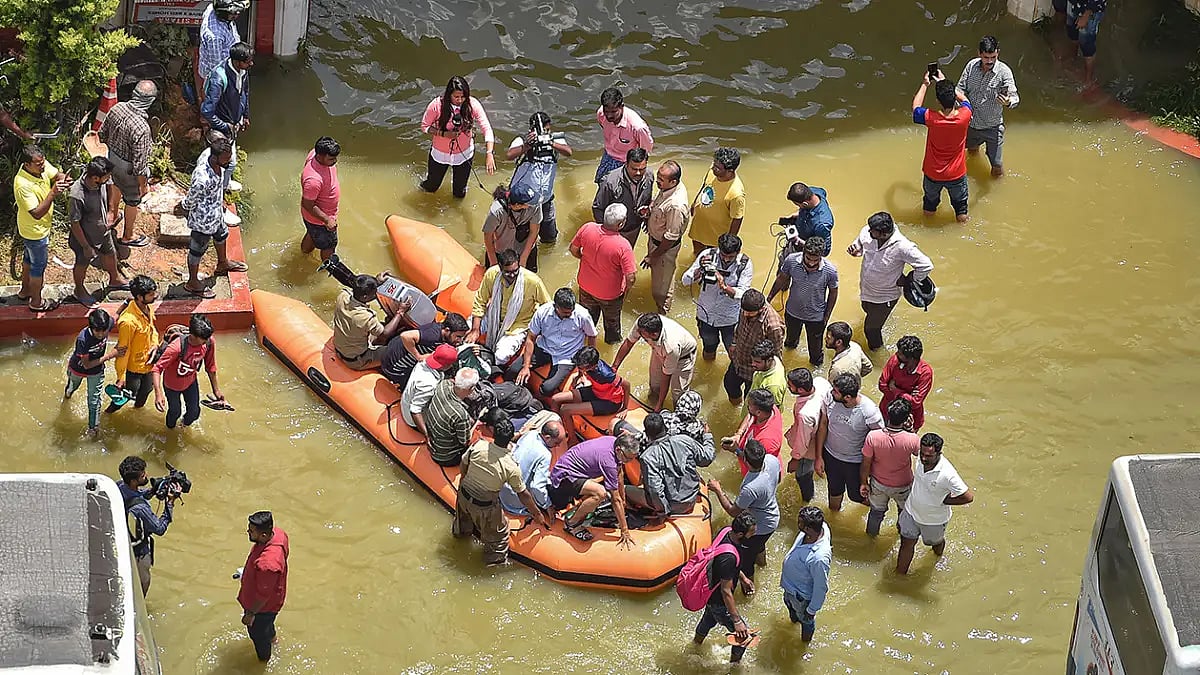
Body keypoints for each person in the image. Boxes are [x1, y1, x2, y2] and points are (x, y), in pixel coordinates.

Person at [454, 410, 551, 564]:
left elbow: (463, 465)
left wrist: (465, 481)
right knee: (498, 539)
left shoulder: (479, 446)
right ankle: (493, 566)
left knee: (462, 526)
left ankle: (458, 542)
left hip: (463, 495)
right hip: (485, 505)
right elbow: (523, 494)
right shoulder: (511, 466)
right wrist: (537, 514)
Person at [846, 212, 934, 350]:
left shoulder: (903, 247)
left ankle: (877, 354)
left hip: (885, 296)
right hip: (866, 290)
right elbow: (861, 240)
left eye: (872, 231)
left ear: (883, 234)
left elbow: (926, 265)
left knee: (871, 330)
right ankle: (882, 319)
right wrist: (856, 247)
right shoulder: (868, 232)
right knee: (866, 310)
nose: (868, 231)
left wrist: (909, 279)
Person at [176, 137, 247, 297]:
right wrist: (184, 208)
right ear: (215, 157)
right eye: (226, 159)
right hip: (203, 221)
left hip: (216, 213)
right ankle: (192, 282)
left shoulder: (215, 158)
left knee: (222, 235)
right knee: (197, 250)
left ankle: (222, 263)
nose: (228, 162)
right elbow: (190, 199)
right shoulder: (202, 178)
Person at [708, 439, 781, 595]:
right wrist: (737, 451)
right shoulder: (772, 461)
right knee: (759, 546)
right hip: (772, 518)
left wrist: (718, 490)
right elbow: (777, 478)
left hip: (757, 527)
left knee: (746, 562)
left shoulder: (750, 488)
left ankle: (749, 592)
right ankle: (763, 564)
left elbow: (733, 511)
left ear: (746, 461)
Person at [896, 432, 973, 574]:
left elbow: (968, 497)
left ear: (939, 453)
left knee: (935, 543)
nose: (924, 458)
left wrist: (946, 500)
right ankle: (899, 577)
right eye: (922, 454)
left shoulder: (947, 474)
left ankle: (938, 555)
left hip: (933, 520)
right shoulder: (920, 457)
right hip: (911, 511)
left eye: (929, 456)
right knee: (906, 543)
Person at [548, 434, 640, 546]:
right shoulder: (608, 462)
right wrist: (624, 530)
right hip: (564, 477)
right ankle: (572, 523)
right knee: (600, 493)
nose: (630, 461)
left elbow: (619, 473)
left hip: (576, 470)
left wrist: (624, 500)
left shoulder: (614, 442)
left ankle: (582, 505)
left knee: (604, 490)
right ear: (619, 450)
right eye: (628, 458)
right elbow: (615, 500)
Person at [692, 512, 757, 664]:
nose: (754, 535)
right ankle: (734, 667)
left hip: (710, 594)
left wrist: (743, 578)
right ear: (741, 534)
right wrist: (737, 621)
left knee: (708, 620)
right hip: (719, 602)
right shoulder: (728, 558)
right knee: (743, 637)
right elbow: (726, 591)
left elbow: (728, 568)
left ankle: (695, 645)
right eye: (752, 532)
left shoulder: (726, 532)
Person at [468, 248, 550, 369]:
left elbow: (547, 307)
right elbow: (480, 301)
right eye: (507, 272)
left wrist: (537, 331)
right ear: (500, 268)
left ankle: (491, 368)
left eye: (515, 271)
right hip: (492, 316)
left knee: (501, 356)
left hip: (517, 325)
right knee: (466, 328)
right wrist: (475, 330)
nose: (512, 275)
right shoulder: (492, 274)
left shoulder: (533, 282)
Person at [99, 79, 157, 247]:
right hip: (128, 168)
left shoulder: (117, 108)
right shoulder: (142, 128)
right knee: (133, 201)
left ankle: (112, 214)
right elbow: (140, 166)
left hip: (112, 159)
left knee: (115, 185)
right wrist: (143, 186)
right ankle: (128, 236)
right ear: (150, 101)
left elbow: (102, 134)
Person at [14, 144, 71, 313]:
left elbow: (55, 174)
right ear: (27, 164)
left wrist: (63, 178)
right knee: (38, 266)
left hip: (35, 229)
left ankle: (25, 291)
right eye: (38, 164)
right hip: (35, 231)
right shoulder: (22, 184)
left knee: (28, 260)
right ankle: (36, 302)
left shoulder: (41, 166)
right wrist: (53, 193)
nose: (43, 166)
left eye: (43, 162)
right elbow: (37, 213)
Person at [680, 232, 754, 361]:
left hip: (730, 320)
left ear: (738, 252)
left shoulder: (745, 264)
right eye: (723, 255)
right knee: (709, 348)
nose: (726, 259)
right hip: (706, 316)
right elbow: (685, 280)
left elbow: (743, 294)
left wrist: (724, 286)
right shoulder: (707, 255)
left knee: (735, 353)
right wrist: (700, 269)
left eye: (730, 257)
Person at [627, 412, 715, 517]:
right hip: (692, 497)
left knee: (624, 489)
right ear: (665, 427)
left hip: (673, 506)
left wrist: (663, 512)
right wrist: (707, 436)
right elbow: (707, 457)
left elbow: (655, 490)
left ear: (647, 434)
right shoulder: (685, 440)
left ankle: (632, 512)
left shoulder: (647, 457)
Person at [570, 203, 637, 342]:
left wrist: (584, 259)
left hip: (585, 287)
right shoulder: (623, 246)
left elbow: (573, 249)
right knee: (612, 327)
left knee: (586, 321)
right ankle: (609, 350)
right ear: (621, 224)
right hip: (610, 296)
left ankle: (584, 346)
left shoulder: (587, 228)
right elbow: (630, 277)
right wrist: (625, 292)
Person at [912, 70, 972, 223]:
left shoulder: (931, 118)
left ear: (938, 101)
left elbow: (915, 108)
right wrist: (945, 83)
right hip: (957, 174)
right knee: (961, 209)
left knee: (929, 207)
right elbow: (965, 100)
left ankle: (928, 227)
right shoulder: (965, 116)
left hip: (933, 173)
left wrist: (926, 84)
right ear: (954, 99)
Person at [817, 372, 884, 511]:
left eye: (835, 391)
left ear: (847, 397)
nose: (831, 392)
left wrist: (872, 468)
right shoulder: (830, 398)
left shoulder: (869, 412)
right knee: (834, 492)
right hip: (831, 457)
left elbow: (879, 440)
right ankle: (834, 521)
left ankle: (880, 508)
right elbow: (823, 424)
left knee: (857, 496)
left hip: (855, 463)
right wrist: (819, 457)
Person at [514, 288, 598, 398]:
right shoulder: (542, 312)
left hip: (567, 355)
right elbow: (531, 338)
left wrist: (583, 370)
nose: (569, 314)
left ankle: (534, 401)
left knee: (548, 387)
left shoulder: (583, 316)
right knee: (514, 370)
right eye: (565, 313)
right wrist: (526, 366)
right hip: (544, 347)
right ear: (555, 307)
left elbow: (592, 336)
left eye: (571, 312)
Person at [420, 76, 495, 198]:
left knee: (459, 193)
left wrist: (489, 153)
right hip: (440, 153)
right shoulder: (437, 105)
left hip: (464, 155)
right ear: (449, 95)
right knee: (431, 186)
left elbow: (486, 128)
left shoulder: (473, 104)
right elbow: (425, 126)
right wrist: (443, 134)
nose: (460, 100)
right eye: (456, 97)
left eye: (463, 97)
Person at [769, 236, 838, 367]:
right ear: (804, 253)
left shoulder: (830, 271)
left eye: (815, 260)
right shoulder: (791, 261)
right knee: (789, 343)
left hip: (816, 317)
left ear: (821, 257)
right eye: (808, 259)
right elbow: (781, 279)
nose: (811, 263)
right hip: (792, 312)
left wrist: (826, 316)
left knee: (816, 353)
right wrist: (769, 298)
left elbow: (833, 293)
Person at [67, 156, 127, 305]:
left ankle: (115, 279)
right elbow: (75, 223)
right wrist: (86, 246)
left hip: (103, 230)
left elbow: (110, 186)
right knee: (82, 262)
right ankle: (79, 290)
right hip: (84, 237)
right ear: (95, 178)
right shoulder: (77, 194)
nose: (109, 179)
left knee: (110, 253)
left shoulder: (103, 180)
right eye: (107, 177)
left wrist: (111, 211)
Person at [956, 36, 1019, 178]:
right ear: (979, 53)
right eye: (986, 57)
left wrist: (1008, 101)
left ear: (998, 53)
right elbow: (959, 89)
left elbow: (1015, 97)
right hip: (971, 123)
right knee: (971, 151)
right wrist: (959, 107)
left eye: (993, 57)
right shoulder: (971, 66)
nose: (989, 61)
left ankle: (999, 190)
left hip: (992, 126)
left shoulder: (1004, 72)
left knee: (997, 165)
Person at [200, 42, 253, 205]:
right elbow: (207, 111)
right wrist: (224, 126)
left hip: (232, 125)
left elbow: (244, 93)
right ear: (238, 62)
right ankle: (219, 202)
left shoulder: (242, 73)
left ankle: (226, 184)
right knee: (225, 165)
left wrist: (245, 115)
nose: (251, 64)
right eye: (248, 61)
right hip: (221, 129)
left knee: (229, 164)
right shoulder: (219, 78)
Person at [506, 111, 572, 243]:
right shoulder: (522, 140)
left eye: (547, 130)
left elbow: (568, 152)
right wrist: (527, 146)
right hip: (523, 200)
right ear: (531, 129)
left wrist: (550, 142)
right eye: (541, 130)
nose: (544, 132)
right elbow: (509, 155)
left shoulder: (555, 139)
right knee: (520, 237)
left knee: (550, 237)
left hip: (545, 199)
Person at [151, 314, 225, 429]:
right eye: (203, 339)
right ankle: (169, 432)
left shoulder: (209, 342)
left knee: (194, 413)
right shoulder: (176, 348)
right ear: (193, 335)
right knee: (175, 412)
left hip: (191, 383)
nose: (206, 341)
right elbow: (157, 369)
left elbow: (211, 368)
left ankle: (182, 427)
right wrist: (158, 394)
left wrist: (216, 391)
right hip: (172, 386)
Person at [612, 313, 698, 412]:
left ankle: (678, 415)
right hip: (658, 349)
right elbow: (628, 343)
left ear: (654, 334)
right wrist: (614, 367)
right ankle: (652, 406)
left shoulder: (671, 347)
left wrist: (660, 405)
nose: (638, 332)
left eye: (642, 333)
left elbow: (666, 377)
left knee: (678, 394)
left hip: (683, 357)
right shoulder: (642, 323)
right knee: (654, 384)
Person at [118, 455, 176, 595]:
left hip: (123, 541)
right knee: (143, 582)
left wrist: (153, 490)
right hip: (139, 552)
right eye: (143, 476)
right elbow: (160, 528)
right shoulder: (141, 509)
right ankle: (140, 608)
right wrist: (170, 502)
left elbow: (136, 494)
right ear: (133, 481)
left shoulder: (118, 486)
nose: (147, 476)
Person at [861, 399, 919, 537]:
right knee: (904, 513)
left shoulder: (873, 436)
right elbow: (922, 456)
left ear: (887, 415)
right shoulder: (912, 439)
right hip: (903, 485)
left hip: (878, 484)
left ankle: (870, 539)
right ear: (906, 419)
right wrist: (911, 430)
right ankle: (901, 535)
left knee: (875, 513)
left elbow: (866, 463)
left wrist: (863, 482)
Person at [239, 511, 289, 662]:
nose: (248, 532)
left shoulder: (268, 564)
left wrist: (250, 614)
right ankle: (274, 640)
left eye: (251, 531)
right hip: (273, 598)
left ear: (264, 536)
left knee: (258, 634)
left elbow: (263, 596)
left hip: (263, 608)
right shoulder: (279, 534)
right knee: (268, 624)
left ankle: (264, 661)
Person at [64, 309, 124, 436]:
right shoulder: (83, 340)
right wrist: (110, 355)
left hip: (96, 371)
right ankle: (67, 396)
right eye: (98, 331)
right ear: (91, 328)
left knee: (94, 400)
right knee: (72, 387)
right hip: (78, 368)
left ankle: (93, 428)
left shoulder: (106, 324)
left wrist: (126, 303)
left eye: (104, 331)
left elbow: (116, 315)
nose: (101, 334)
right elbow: (87, 365)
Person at [549, 345, 630, 439]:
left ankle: (572, 439)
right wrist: (579, 375)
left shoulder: (606, 374)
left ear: (592, 366)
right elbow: (580, 367)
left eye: (581, 367)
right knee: (555, 399)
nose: (579, 367)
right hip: (596, 391)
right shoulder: (585, 366)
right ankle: (557, 427)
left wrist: (624, 408)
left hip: (609, 402)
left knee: (565, 409)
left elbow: (626, 385)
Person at [332, 273, 409, 371]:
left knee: (385, 324)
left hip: (343, 348)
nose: (376, 294)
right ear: (365, 297)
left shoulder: (343, 296)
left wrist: (376, 282)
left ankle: (376, 345)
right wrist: (400, 312)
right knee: (399, 350)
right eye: (374, 293)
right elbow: (385, 333)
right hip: (357, 360)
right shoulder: (366, 317)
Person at [107, 275, 160, 414]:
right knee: (123, 398)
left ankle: (137, 413)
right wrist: (121, 377)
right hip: (133, 370)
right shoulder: (128, 322)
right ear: (139, 297)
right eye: (151, 294)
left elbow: (152, 329)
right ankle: (106, 415)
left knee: (146, 391)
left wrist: (155, 344)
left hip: (148, 363)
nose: (155, 296)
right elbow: (122, 351)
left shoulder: (147, 307)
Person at [642, 160, 689, 313]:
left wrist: (653, 256)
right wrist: (649, 212)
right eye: (658, 177)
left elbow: (670, 237)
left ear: (673, 181)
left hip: (664, 248)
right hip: (657, 242)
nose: (657, 181)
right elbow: (659, 203)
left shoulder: (676, 205)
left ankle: (662, 313)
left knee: (662, 287)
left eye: (661, 179)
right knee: (660, 278)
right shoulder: (670, 188)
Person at [780, 506, 832, 642]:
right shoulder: (821, 527)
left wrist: (812, 610)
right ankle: (795, 622)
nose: (797, 524)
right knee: (793, 615)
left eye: (800, 522)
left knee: (806, 621)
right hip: (791, 589)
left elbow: (821, 587)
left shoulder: (819, 558)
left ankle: (805, 643)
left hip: (801, 598)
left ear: (808, 529)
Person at [724, 289, 785, 406]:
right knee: (729, 384)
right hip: (738, 359)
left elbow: (775, 353)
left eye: (749, 313)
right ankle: (736, 407)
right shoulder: (746, 308)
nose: (745, 314)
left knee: (751, 400)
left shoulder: (773, 326)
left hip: (755, 371)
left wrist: (766, 376)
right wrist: (734, 344)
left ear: (761, 309)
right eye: (744, 311)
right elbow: (739, 327)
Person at [380, 313, 469, 389]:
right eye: (458, 337)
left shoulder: (443, 336)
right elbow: (405, 336)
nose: (460, 340)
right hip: (395, 367)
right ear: (447, 330)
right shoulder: (433, 335)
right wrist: (418, 356)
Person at [498, 417, 564, 517]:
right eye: (556, 443)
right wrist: (547, 505)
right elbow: (537, 487)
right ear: (547, 438)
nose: (558, 446)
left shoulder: (530, 434)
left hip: (503, 490)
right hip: (516, 500)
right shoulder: (545, 455)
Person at [785, 367, 832, 503]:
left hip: (809, 449)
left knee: (802, 475)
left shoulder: (805, 414)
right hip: (825, 437)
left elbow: (802, 442)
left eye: (790, 386)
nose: (788, 386)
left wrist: (795, 460)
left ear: (800, 390)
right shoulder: (820, 382)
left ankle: (808, 500)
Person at [688, 147, 745, 257]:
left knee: (711, 261)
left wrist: (728, 243)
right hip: (699, 225)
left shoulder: (736, 194)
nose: (713, 168)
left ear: (730, 171)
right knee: (697, 254)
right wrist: (695, 202)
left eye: (717, 168)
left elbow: (737, 218)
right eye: (714, 164)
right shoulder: (712, 171)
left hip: (716, 235)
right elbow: (704, 185)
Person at [592, 148, 652, 247]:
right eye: (634, 169)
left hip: (634, 228)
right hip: (615, 232)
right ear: (626, 164)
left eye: (642, 169)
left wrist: (647, 218)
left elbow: (647, 198)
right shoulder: (609, 182)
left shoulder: (649, 176)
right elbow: (597, 208)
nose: (638, 173)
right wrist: (609, 234)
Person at [595, 87, 654, 184]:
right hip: (608, 154)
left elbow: (645, 150)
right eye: (607, 112)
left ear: (622, 106)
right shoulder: (601, 114)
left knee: (621, 194)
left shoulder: (637, 127)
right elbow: (602, 125)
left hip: (626, 162)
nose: (609, 116)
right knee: (601, 183)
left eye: (614, 112)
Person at [722, 387, 784, 476]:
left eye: (749, 405)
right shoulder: (769, 409)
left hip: (757, 474)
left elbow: (756, 465)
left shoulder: (767, 440)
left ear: (759, 412)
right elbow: (750, 415)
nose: (747, 407)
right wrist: (739, 434)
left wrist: (735, 450)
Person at [425, 367, 480, 466]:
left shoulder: (443, 385)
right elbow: (465, 441)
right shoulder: (460, 415)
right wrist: (477, 423)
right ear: (471, 389)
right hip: (446, 457)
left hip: (433, 437)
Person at [878, 335, 934, 431]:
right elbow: (882, 385)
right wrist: (908, 395)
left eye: (900, 356)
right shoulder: (894, 360)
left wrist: (896, 390)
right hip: (887, 412)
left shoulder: (925, 372)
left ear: (911, 359)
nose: (896, 356)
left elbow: (916, 402)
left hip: (910, 418)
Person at [400, 344, 459, 434]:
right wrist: (426, 435)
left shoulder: (424, 361)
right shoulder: (428, 385)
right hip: (412, 417)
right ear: (447, 366)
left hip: (407, 400)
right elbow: (415, 410)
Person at [482, 183, 543, 271]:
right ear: (518, 205)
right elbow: (487, 237)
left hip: (525, 248)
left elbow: (534, 231)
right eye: (529, 203)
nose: (534, 203)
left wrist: (523, 259)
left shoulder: (535, 205)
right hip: (502, 251)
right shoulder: (496, 212)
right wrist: (493, 263)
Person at [299, 136, 341, 261]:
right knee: (329, 246)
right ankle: (327, 270)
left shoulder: (314, 154)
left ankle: (303, 256)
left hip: (312, 219)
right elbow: (307, 204)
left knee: (312, 233)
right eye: (331, 159)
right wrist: (327, 220)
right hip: (320, 220)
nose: (335, 161)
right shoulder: (313, 180)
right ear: (320, 155)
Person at [1054, 0, 1106, 87]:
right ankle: (1072, 58)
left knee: (1086, 43)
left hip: (1091, 9)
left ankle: (1088, 79)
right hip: (1074, 4)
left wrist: (1086, 15)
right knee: (1072, 33)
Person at [198, 0, 244, 93]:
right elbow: (216, 67)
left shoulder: (211, 8)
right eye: (233, 13)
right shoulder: (215, 37)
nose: (237, 15)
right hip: (219, 75)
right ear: (223, 13)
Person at [782, 182, 834, 256]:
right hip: (794, 243)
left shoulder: (822, 224)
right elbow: (823, 191)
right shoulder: (814, 191)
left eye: (797, 205)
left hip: (806, 256)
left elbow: (824, 251)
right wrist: (798, 214)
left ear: (805, 204)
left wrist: (798, 241)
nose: (798, 207)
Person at [748, 340, 788, 408]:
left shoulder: (773, 386)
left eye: (757, 362)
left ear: (769, 360)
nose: (753, 364)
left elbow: (772, 410)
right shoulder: (774, 359)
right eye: (753, 360)